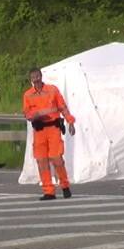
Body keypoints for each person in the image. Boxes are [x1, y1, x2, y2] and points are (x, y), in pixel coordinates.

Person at [23, 67, 76, 200]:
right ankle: (49, 191)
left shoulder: (52, 90)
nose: (36, 79)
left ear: (41, 77)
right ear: (31, 80)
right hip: (39, 130)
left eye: (37, 76)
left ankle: (64, 185)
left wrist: (70, 121)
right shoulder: (28, 95)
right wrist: (34, 115)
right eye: (33, 77)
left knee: (56, 158)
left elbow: (62, 106)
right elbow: (27, 113)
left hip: (53, 128)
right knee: (41, 161)